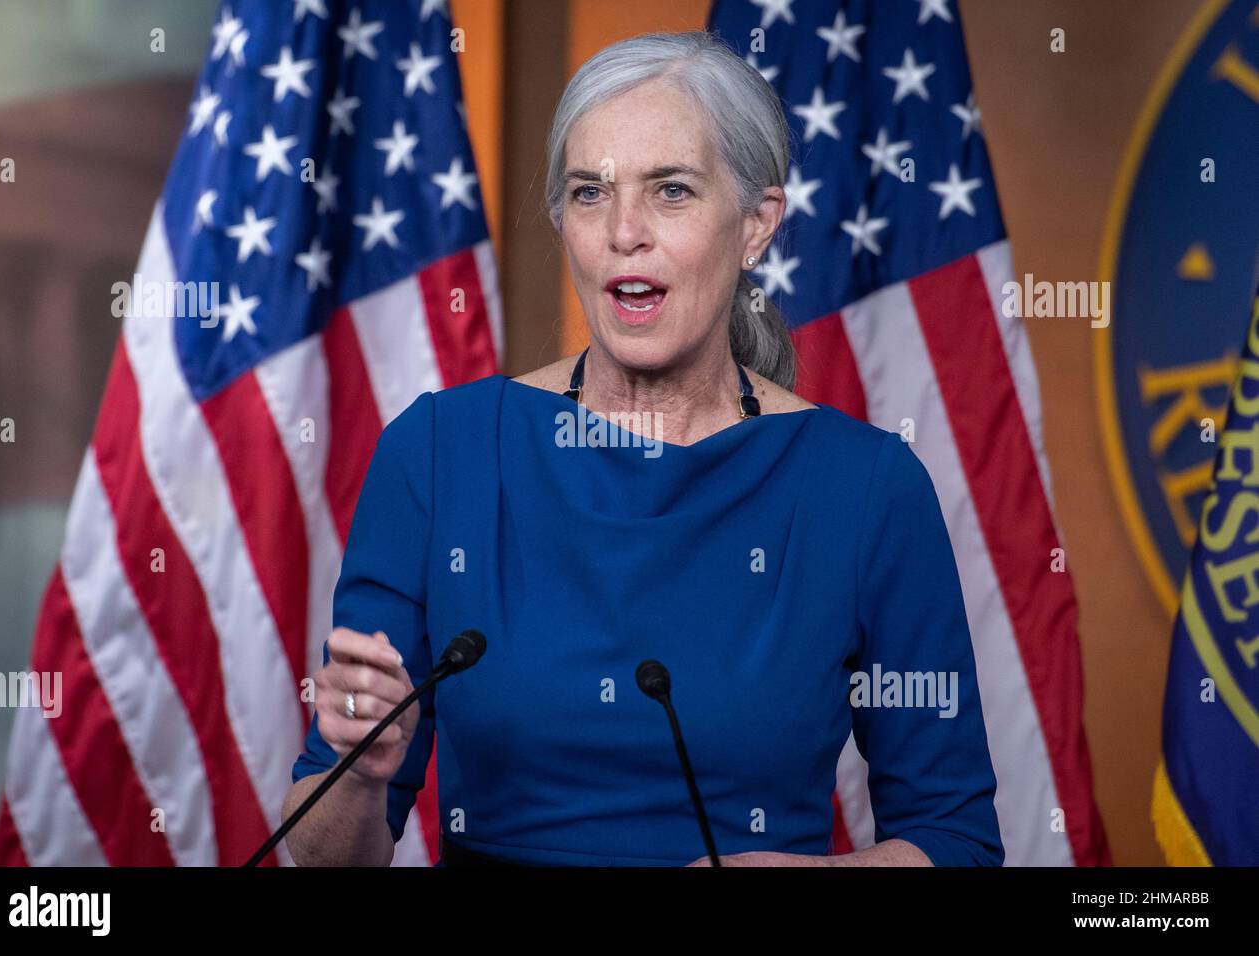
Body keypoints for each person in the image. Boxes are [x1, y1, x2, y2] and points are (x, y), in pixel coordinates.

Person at [282, 30, 1004, 867]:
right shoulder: (440, 454)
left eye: (671, 190)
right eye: (591, 193)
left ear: (757, 227)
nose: (625, 231)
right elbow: (329, 853)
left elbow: (956, 842)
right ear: (565, 224)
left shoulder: (868, 489)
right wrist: (359, 773)